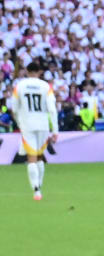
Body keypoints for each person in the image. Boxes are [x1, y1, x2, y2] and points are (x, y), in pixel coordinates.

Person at [9, 61, 59, 200]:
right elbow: (52, 109)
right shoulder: (45, 86)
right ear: (39, 72)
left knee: (31, 157)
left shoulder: (19, 86)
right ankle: (40, 184)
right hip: (42, 124)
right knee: (39, 156)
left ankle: (36, 190)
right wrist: (55, 130)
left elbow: (14, 108)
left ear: (27, 71)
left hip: (27, 124)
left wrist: (20, 123)